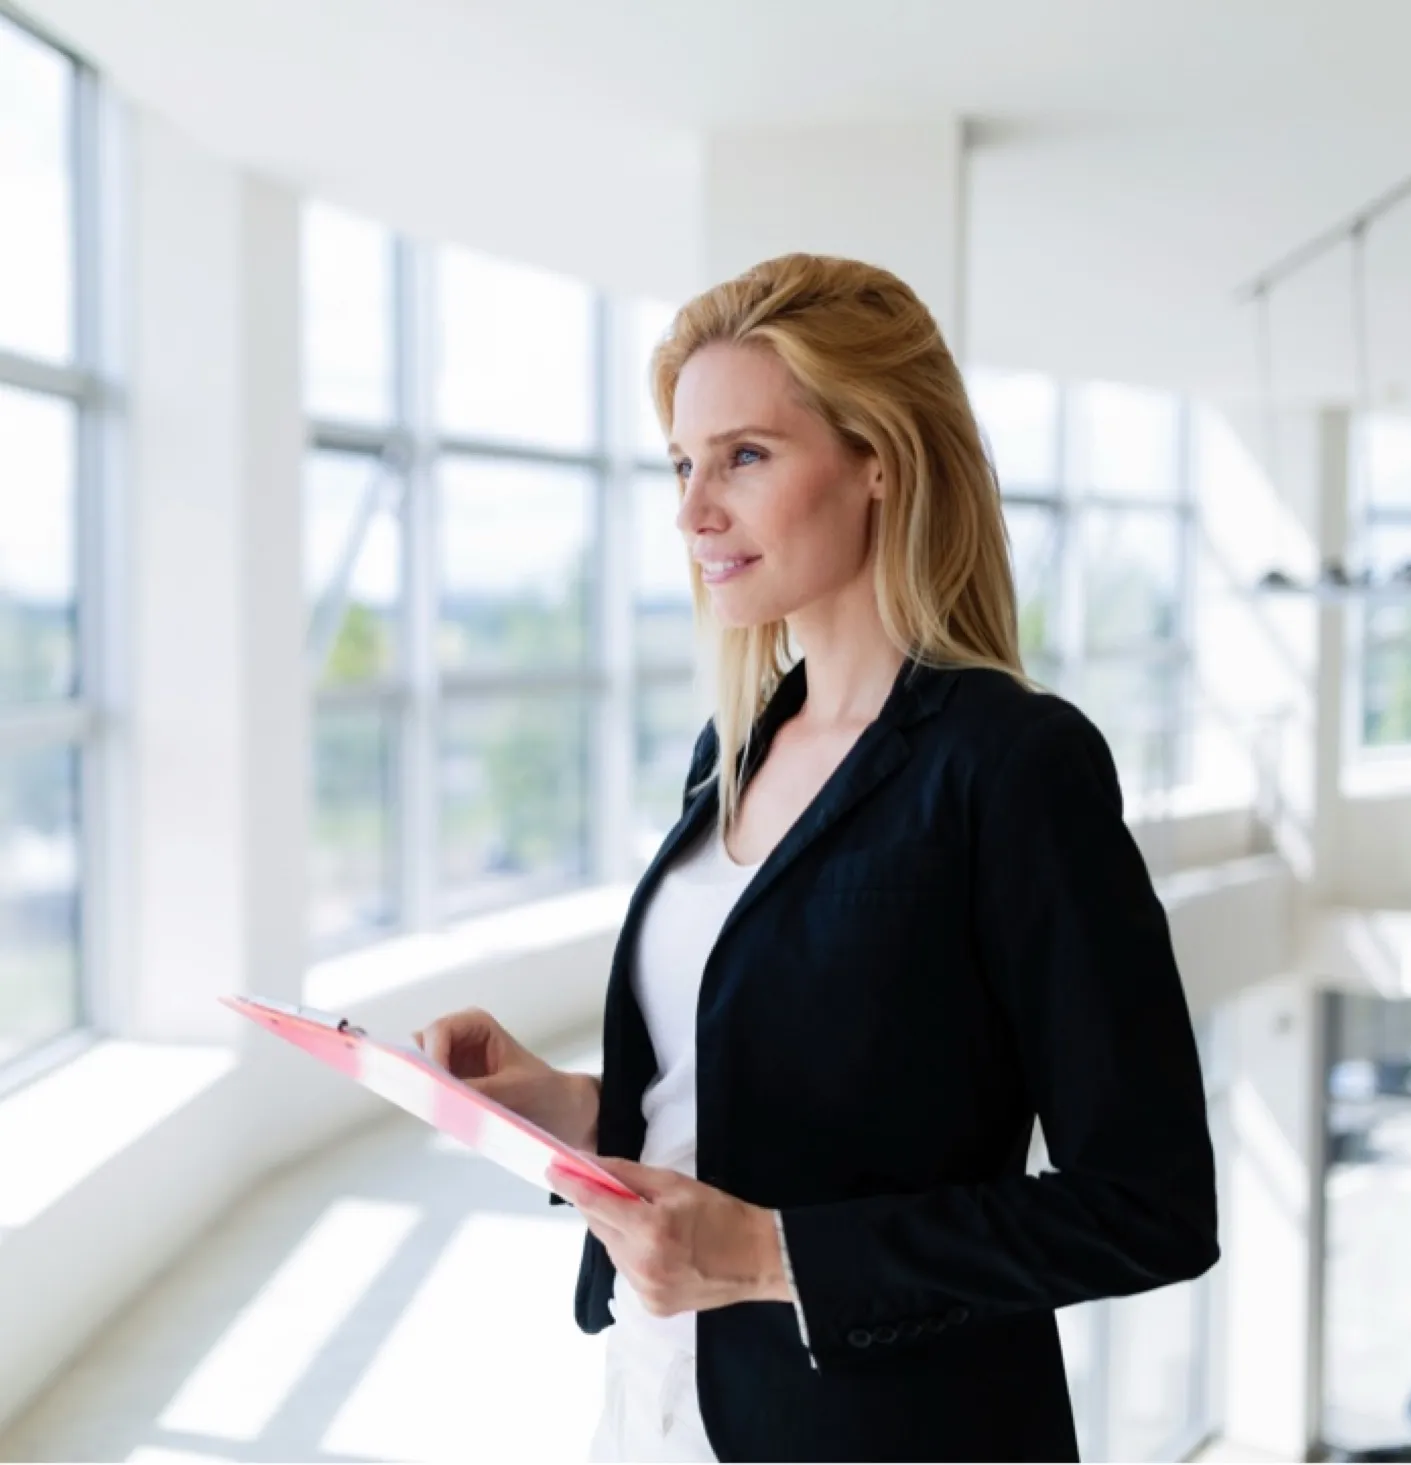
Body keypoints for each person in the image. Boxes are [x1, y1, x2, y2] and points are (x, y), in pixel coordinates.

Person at [414, 253, 1219, 1462]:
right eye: (683, 464)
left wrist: (768, 1254)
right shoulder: (732, 750)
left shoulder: (1012, 766)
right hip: (660, 1395)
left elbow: (1148, 1209)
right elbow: (761, 1111)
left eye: (743, 456)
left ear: (879, 458)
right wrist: (568, 1112)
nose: (692, 512)